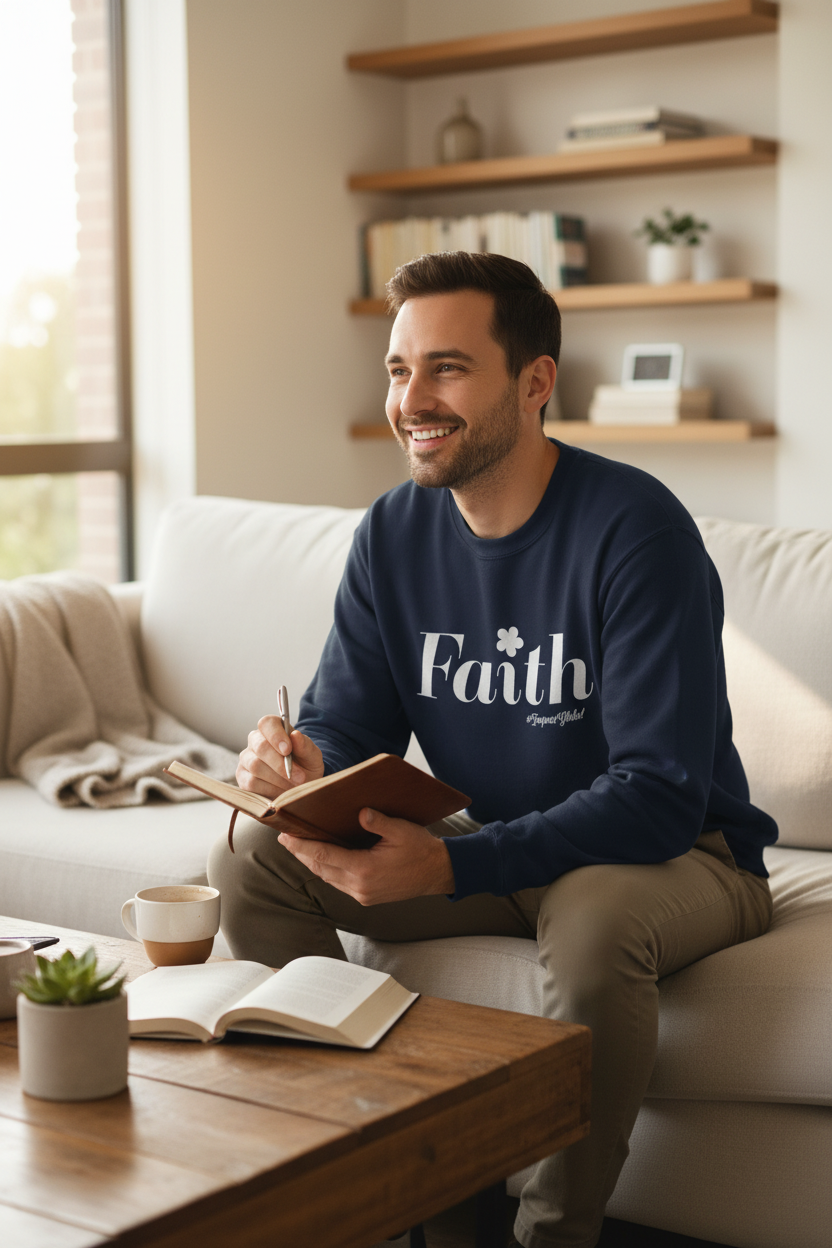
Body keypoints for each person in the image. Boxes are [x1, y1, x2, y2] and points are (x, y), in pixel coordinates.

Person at [209, 252, 776, 1248]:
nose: (411, 400)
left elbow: (656, 794)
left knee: (597, 923)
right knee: (253, 853)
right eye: (396, 370)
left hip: (676, 855)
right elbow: (353, 720)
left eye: (446, 369)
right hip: (501, 840)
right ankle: (388, 1182)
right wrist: (301, 759)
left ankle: (551, 1238)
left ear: (534, 382)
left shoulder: (634, 529)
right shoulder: (394, 529)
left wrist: (456, 859)